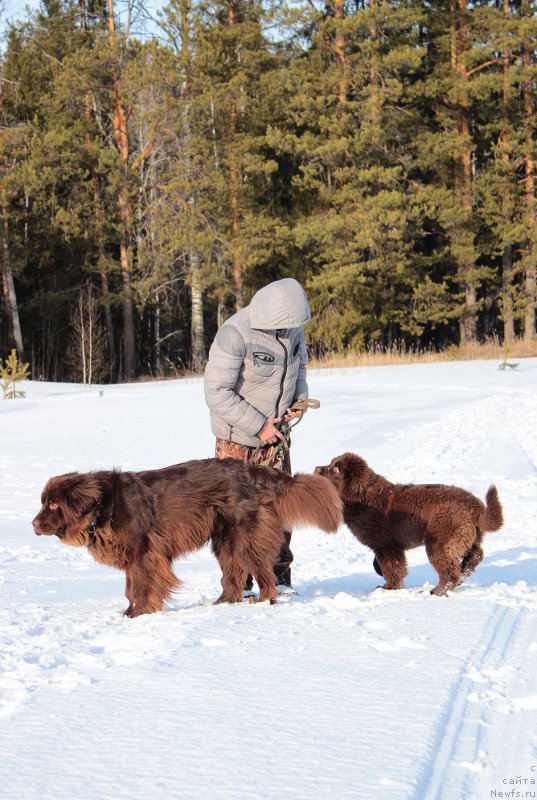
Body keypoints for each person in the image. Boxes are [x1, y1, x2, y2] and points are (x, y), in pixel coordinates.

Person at [204, 277, 311, 597]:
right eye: (287, 324)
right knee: (237, 514)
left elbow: (300, 369)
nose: (293, 329)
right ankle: (240, 583)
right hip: (238, 440)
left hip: (277, 438)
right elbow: (216, 393)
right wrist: (258, 425)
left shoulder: (293, 328)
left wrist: (299, 402)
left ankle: (279, 574)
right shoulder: (234, 333)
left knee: (282, 508)